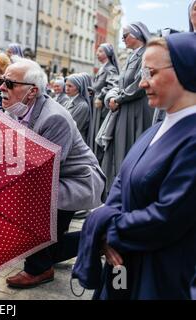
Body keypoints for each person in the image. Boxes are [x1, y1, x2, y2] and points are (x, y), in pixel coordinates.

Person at [73, 33, 196, 300]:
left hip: (158, 273)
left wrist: (108, 231)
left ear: (186, 69)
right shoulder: (154, 131)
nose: (142, 83)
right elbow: (121, 182)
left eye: (150, 72)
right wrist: (107, 228)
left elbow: (168, 216)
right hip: (123, 263)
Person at [1, 59, 105, 289]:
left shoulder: (53, 117)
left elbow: (44, 172)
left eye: (9, 83)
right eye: (2, 81)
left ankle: (39, 269)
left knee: (27, 206)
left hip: (74, 182)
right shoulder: (13, 111)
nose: (1, 87)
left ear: (32, 91)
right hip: (50, 180)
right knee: (46, 246)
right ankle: (98, 240)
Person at [102, 22, 154, 194]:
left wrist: (119, 98)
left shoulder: (148, 54)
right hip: (125, 107)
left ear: (137, 35)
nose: (122, 39)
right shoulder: (132, 56)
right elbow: (120, 82)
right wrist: (113, 96)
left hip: (137, 109)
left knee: (132, 147)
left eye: (125, 36)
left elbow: (142, 83)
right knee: (121, 148)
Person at [88, 43, 120, 162]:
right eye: (97, 51)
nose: (97, 53)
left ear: (107, 53)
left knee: (99, 133)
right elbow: (98, 86)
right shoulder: (102, 67)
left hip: (102, 108)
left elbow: (113, 84)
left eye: (101, 51)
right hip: (97, 105)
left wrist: (101, 97)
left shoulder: (110, 68)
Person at [64, 73, 92, 143]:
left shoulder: (83, 105)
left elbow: (73, 127)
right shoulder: (67, 101)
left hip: (75, 143)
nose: (67, 88)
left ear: (78, 87)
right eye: (66, 85)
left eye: (70, 86)